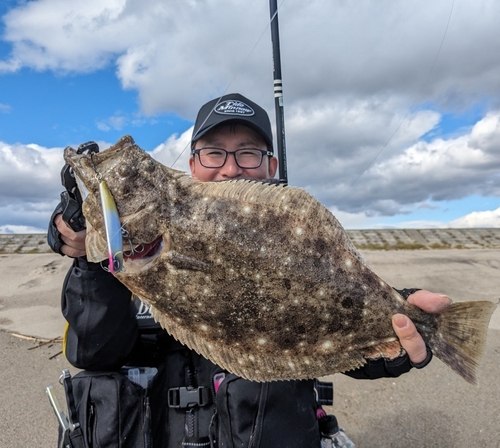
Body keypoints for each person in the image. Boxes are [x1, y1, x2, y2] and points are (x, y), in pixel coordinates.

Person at [48, 93, 450, 447]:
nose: (230, 168)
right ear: (191, 163)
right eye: (214, 152)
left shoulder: (294, 239)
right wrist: (90, 262)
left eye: (247, 152)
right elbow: (93, 352)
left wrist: (403, 325)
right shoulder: (129, 259)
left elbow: (341, 301)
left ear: (270, 164)